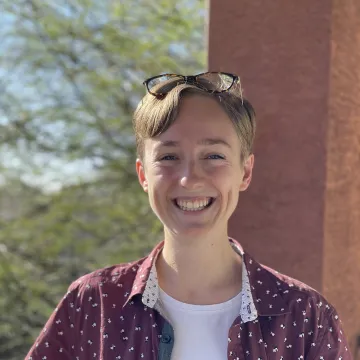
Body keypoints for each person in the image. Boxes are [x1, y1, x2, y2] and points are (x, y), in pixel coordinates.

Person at [25, 72, 352, 360]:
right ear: (143, 175)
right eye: (168, 156)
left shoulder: (305, 316)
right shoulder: (92, 303)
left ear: (245, 171)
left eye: (213, 155)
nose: (189, 178)